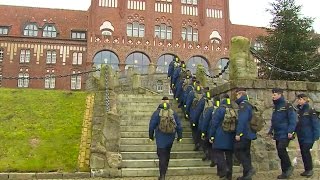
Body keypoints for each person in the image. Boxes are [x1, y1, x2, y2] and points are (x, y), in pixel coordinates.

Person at [149, 96, 183, 180]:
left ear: (161, 103)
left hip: (160, 139)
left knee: (162, 156)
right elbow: (179, 126)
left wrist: (151, 136)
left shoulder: (157, 113)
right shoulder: (173, 113)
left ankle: (162, 175)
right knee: (167, 155)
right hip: (170, 138)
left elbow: (151, 126)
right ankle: (164, 171)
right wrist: (180, 136)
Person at [267, 88, 297, 179]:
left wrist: (290, 131)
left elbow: (293, 119)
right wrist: (270, 131)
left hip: (285, 133)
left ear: (280, 95)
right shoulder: (276, 107)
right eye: (272, 94)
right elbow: (274, 121)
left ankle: (289, 167)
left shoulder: (287, 105)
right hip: (278, 133)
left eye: (275, 94)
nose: (273, 96)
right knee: (280, 153)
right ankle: (285, 172)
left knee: (281, 149)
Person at [209, 94, 235, 180]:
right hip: (230, 136)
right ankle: (229, 175)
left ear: (221, 100)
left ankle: (224, 171)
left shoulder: (219, 109)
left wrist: (211, 136)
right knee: (229, 156)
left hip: (220, 135)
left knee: (218, 153)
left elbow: (214, 124)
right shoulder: (232, 109)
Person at [234, 88, 256, 180]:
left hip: (244, 133)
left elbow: (242, 120)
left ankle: (249, 169)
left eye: (237, 95)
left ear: (240, 94)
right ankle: (247, 175)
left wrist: (238, 133)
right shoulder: (248, 104)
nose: (236, 97)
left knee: (239, 151)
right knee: (246, 153)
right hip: (249, 133)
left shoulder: (243, 105)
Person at [296, 93, 320, 178]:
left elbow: (316, 123)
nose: (299, 100)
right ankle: (307, 169)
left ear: (305, 100)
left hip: (308, 135)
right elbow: (297, 123)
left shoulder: (310, 110)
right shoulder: (299, 111)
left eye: (301, 99)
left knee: (306, 151)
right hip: (301, 135)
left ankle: (310, 169)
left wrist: (316, 135)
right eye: (298, 99)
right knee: (303, 152)